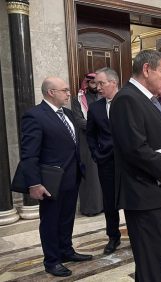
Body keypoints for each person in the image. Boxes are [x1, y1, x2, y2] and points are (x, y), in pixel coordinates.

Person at [109, 49, 161, 281]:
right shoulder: (127, 99)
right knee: (149, 260)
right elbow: (135, 149)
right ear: (146, 69)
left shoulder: (146, 99)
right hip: (142, 194)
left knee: (155, 256)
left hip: (155, 192)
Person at [19, 77, 92, 277]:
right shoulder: (34, 116)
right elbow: (29, 154)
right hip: (51, 181)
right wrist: (34, 183)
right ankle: (52, 260)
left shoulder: (67, 113)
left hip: (72, 177)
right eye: (65, 90)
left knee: (67, 218)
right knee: (50, 221)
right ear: (51, 92)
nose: (69, 93)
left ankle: (66, 251)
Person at [86, 67, 121, 255]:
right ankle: (113, 236)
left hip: (129, 163)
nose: (98, 87)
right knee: (109, 202)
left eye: (101, 83)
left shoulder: (129, 102)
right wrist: (96, 154)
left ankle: (138, 232)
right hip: (106, 162)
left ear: (113, 83)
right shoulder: (95, 108)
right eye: (96, 84)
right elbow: (90, 135)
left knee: (132, 198)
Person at [71, 72, 103, 216]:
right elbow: (78, 120)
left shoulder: (102, 97)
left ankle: (105, 206)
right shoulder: (77, 99)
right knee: (91, 175)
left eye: (97, 83)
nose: (95, 86)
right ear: (86, 83)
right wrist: (98, 126)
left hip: (103, 140)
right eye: (92, 83)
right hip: (86, 141)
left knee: (103, 173)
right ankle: (91, 208)